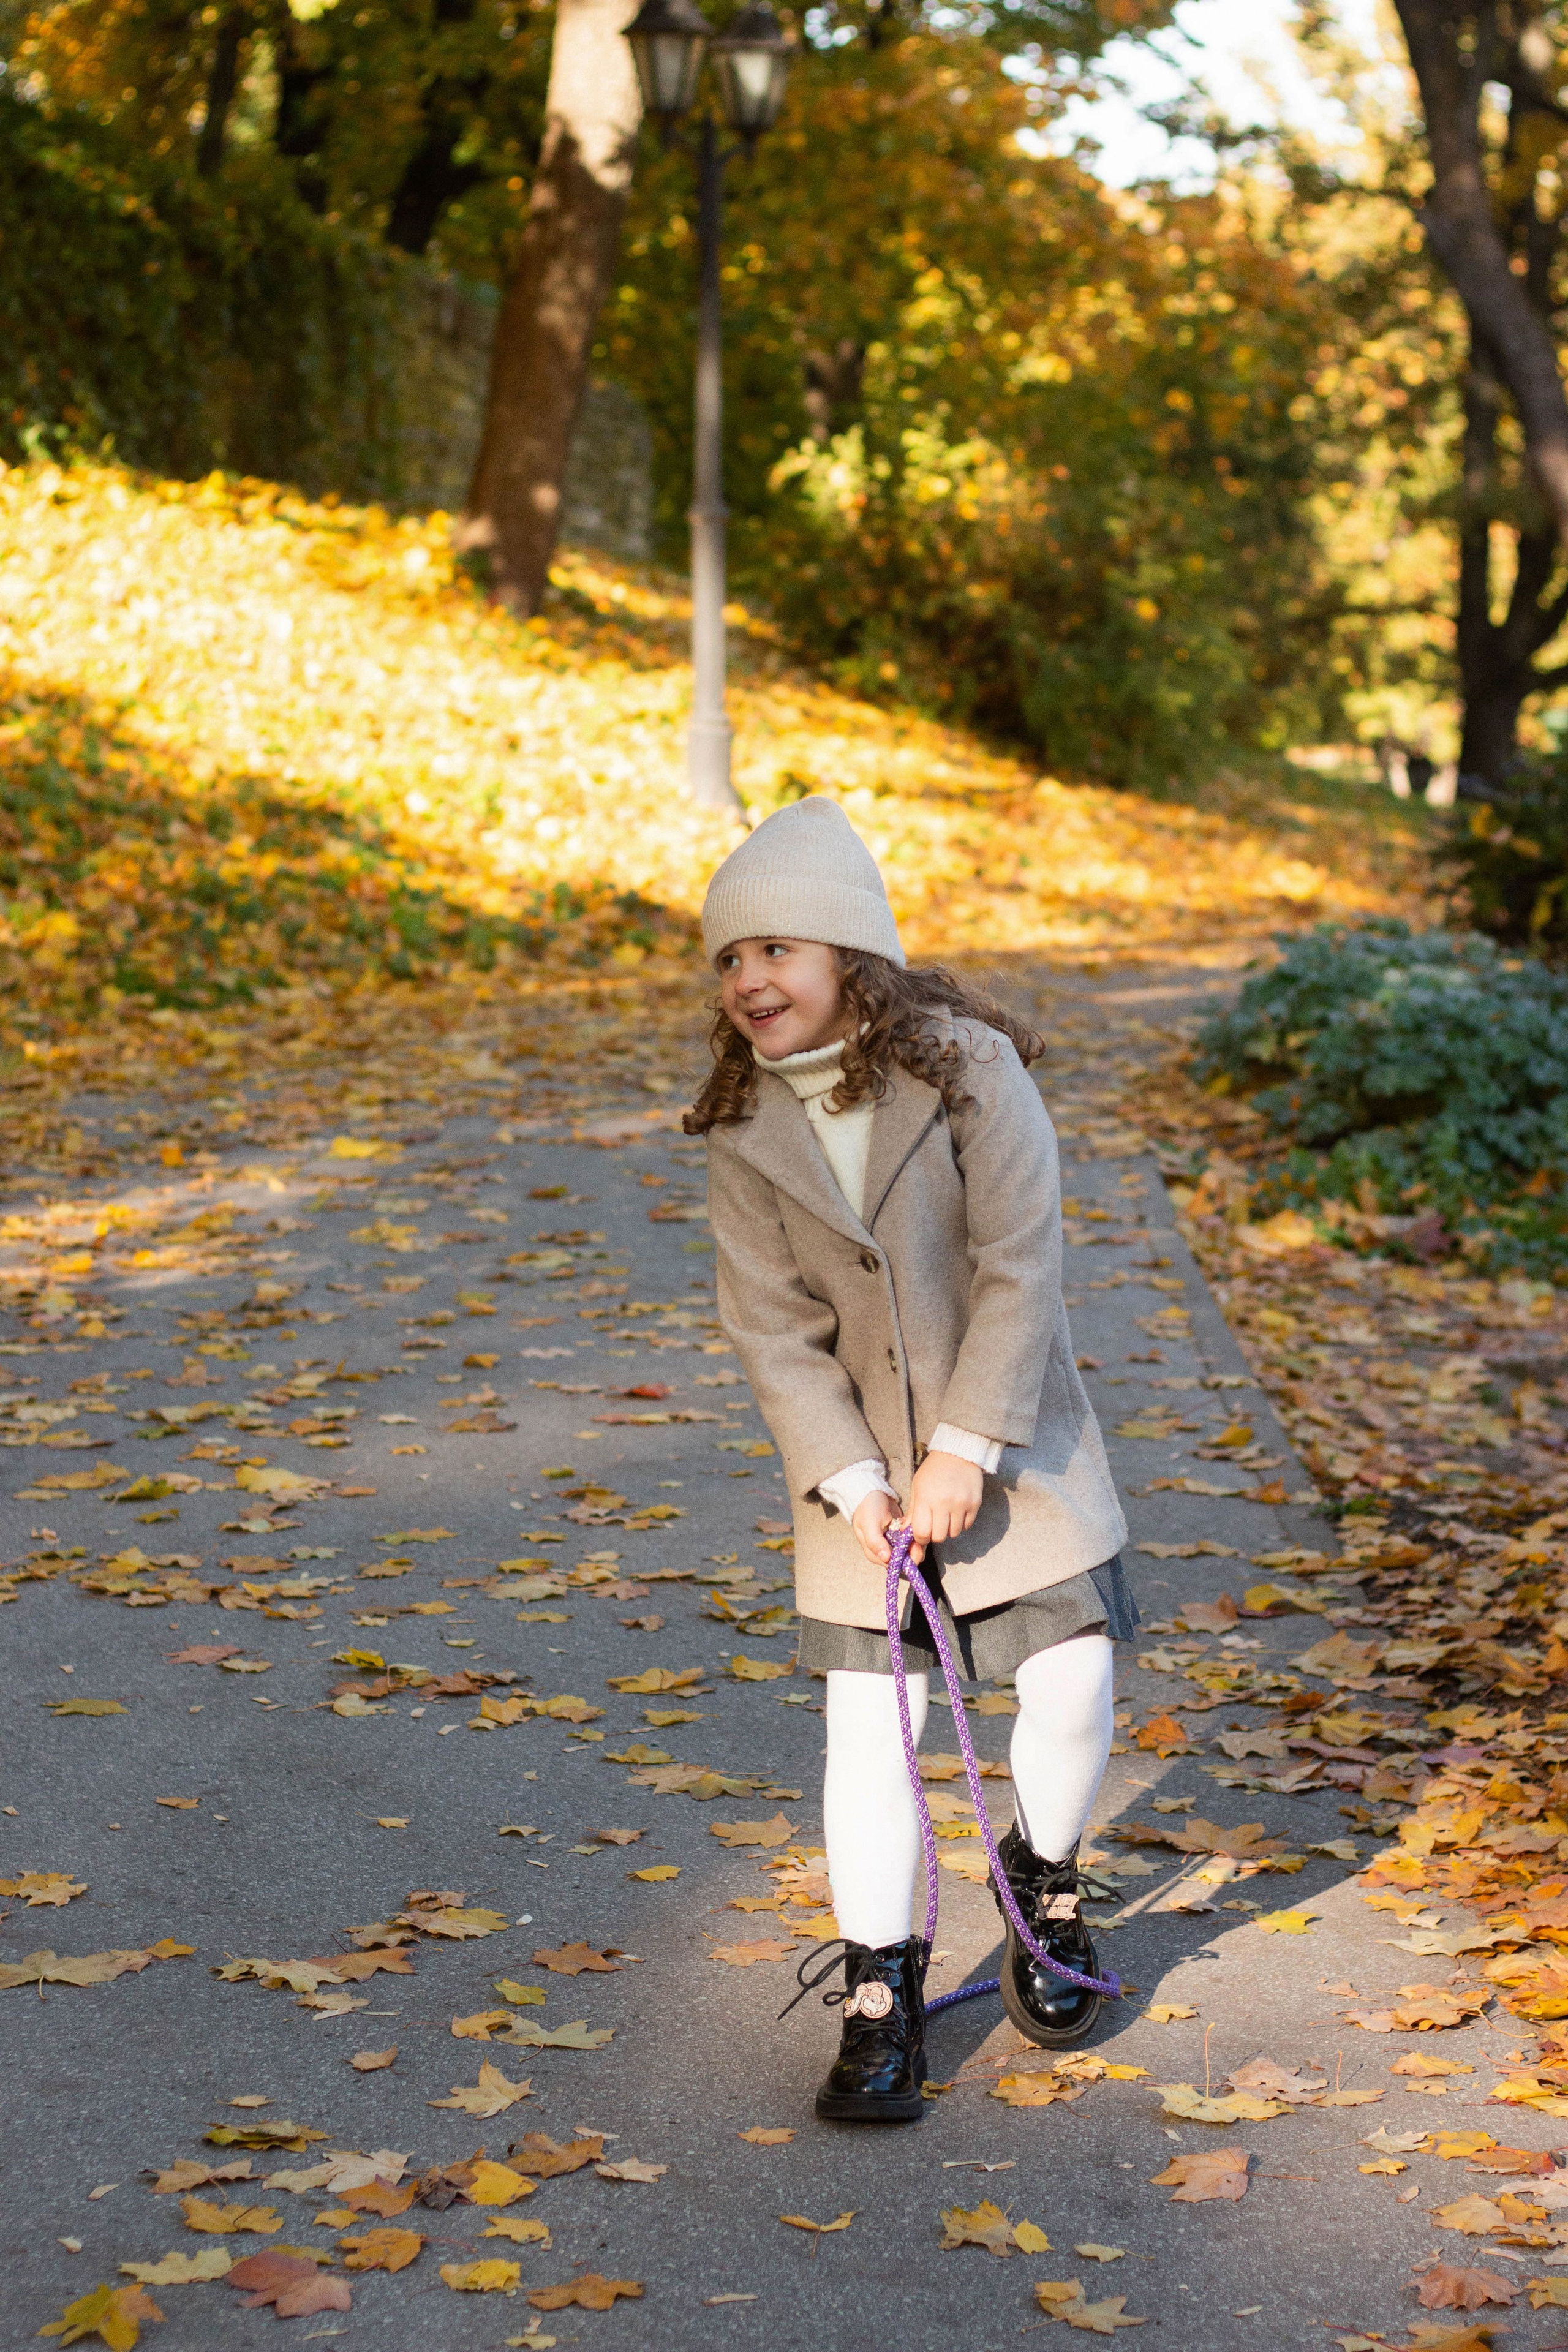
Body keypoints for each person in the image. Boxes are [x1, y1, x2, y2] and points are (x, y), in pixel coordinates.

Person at [687, 797, 1134, 2126]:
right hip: (857, 1483)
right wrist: (851, 1480)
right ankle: (880, 1994)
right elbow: (768, 1326)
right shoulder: (741, 1126)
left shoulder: (971, 1070)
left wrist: (963, 1449)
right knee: (867, 1733)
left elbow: (1020, 1262)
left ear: (848, 957)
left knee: (1065, 1677)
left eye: (774, 947)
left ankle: (1043, 1873)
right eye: (726, 959)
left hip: (1011, 1439)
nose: (747, 978)